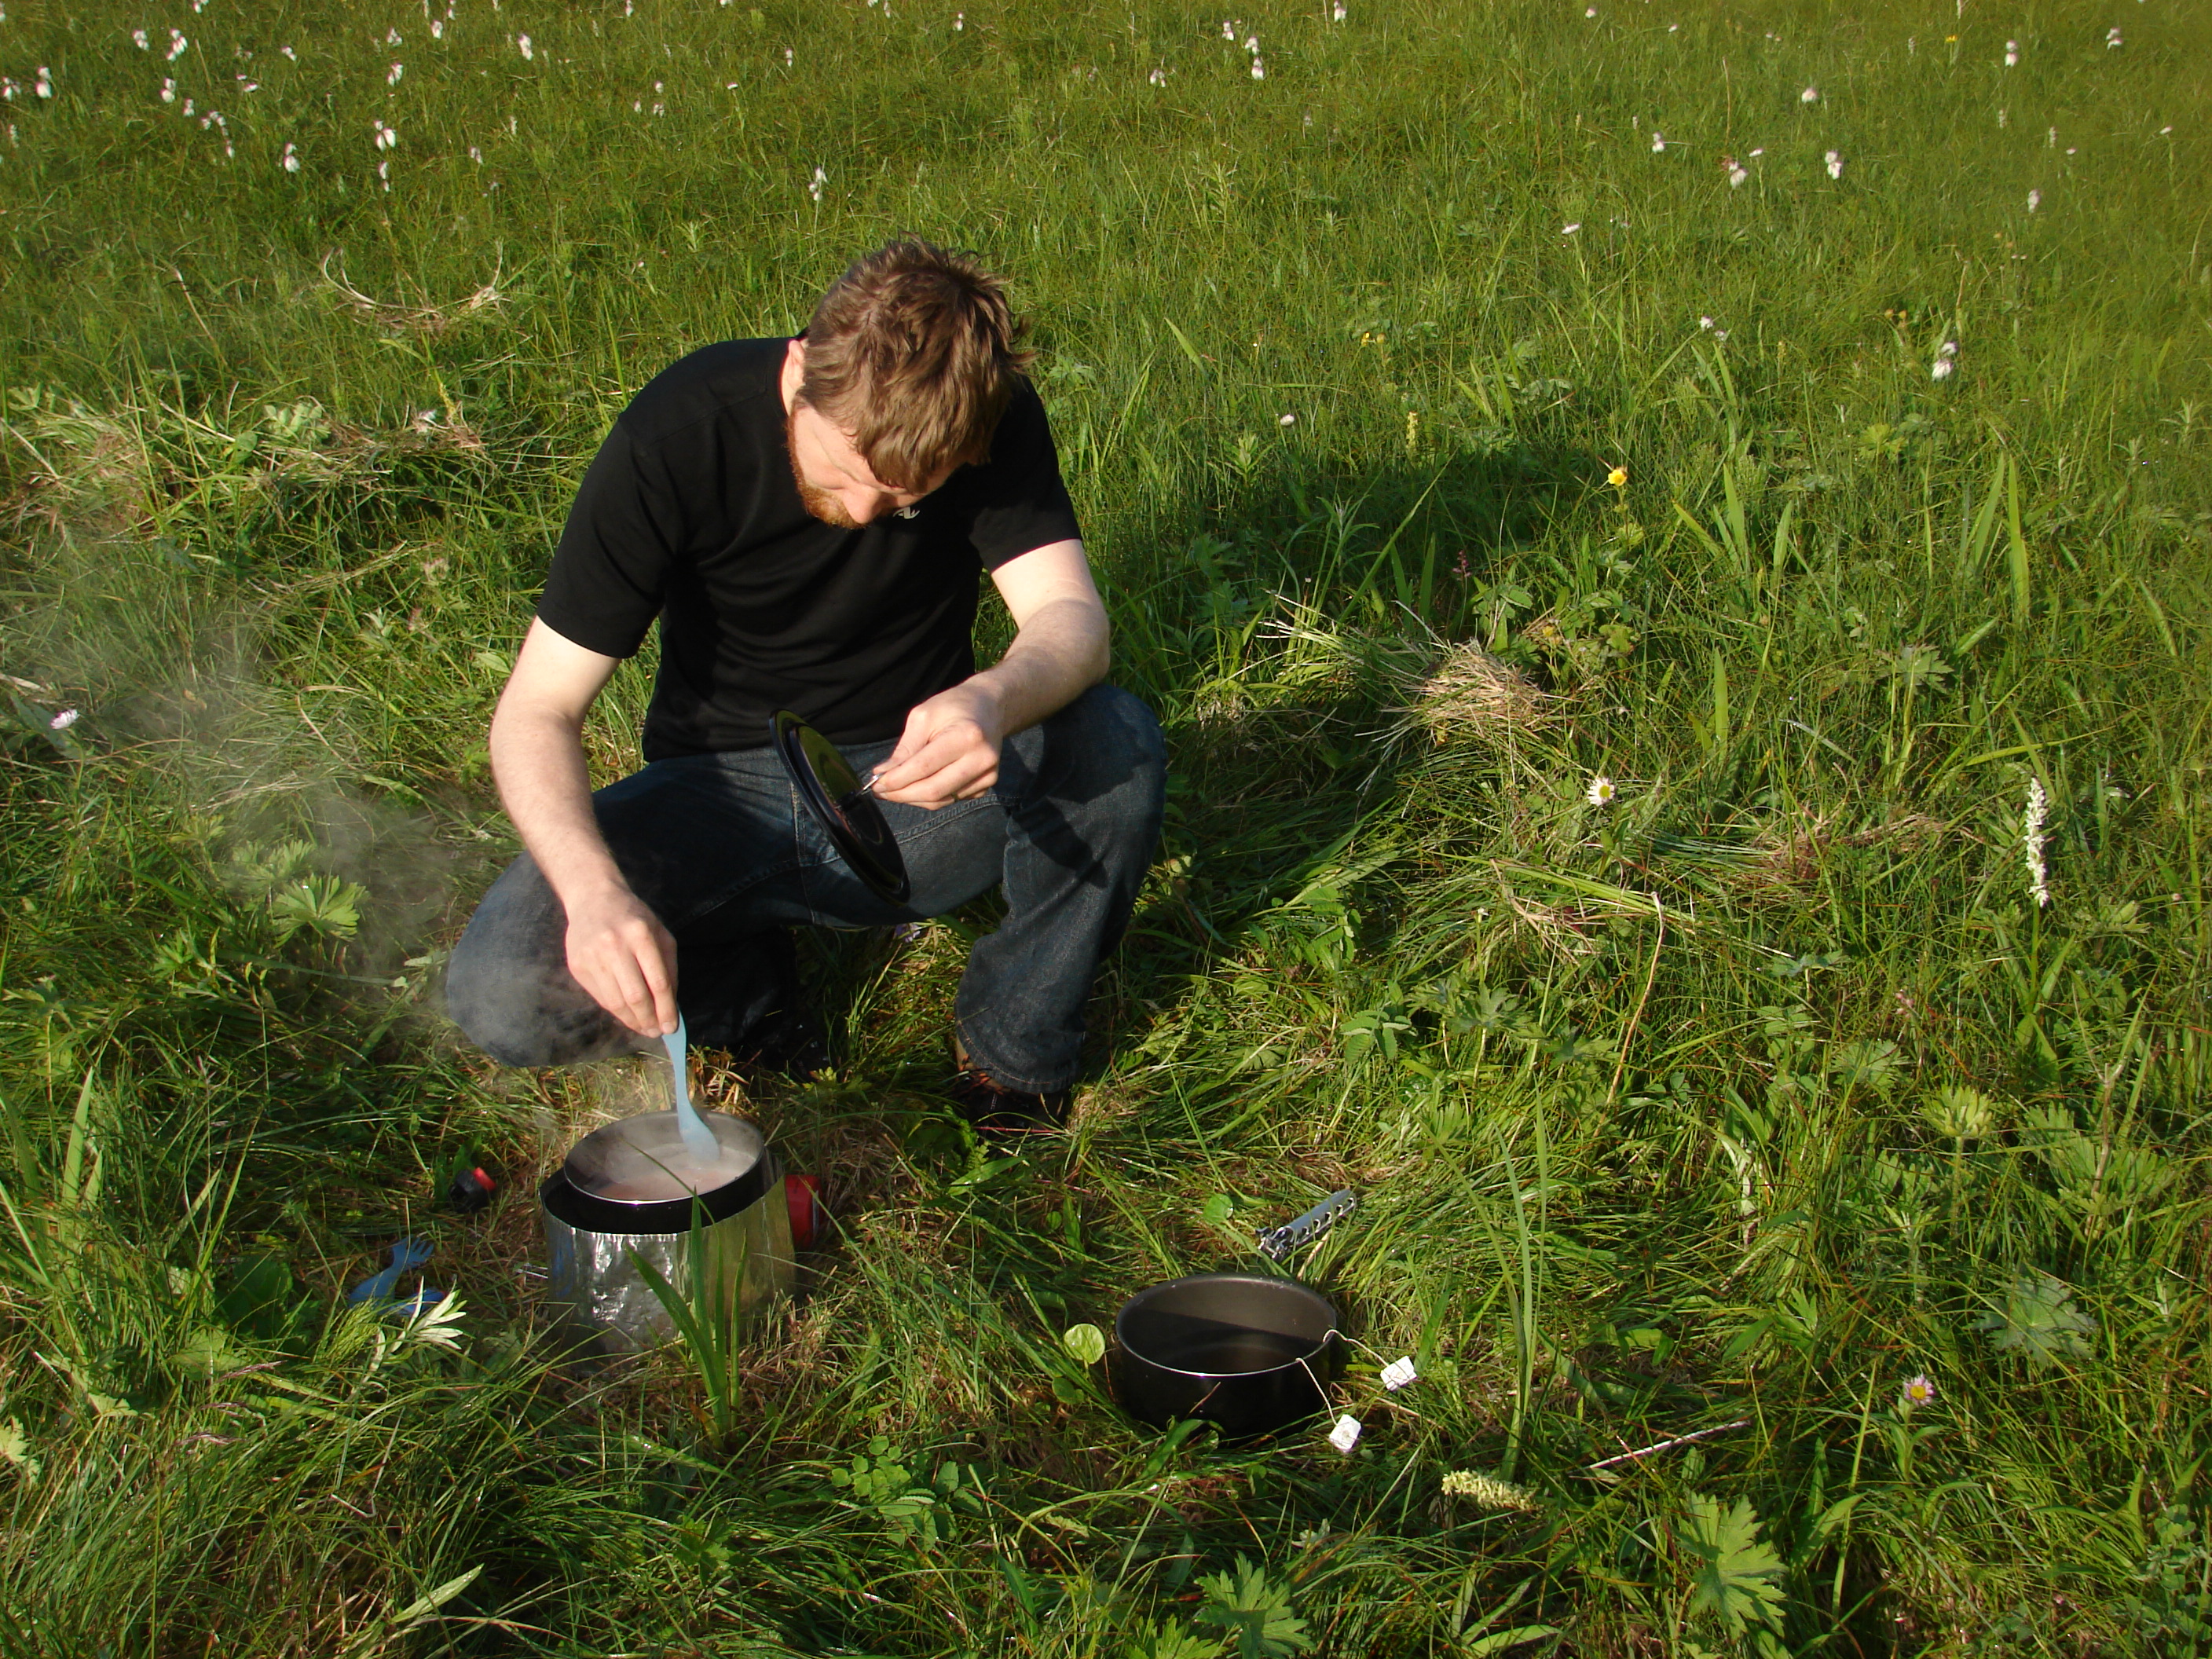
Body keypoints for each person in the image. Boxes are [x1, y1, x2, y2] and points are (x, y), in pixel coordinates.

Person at [445, 240, 1166, 1132]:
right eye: (844, 472)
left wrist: (994, 697)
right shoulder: (678, 432)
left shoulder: (985, 414)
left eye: (904, 497)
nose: (863, 513)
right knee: (501, 993)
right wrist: (595, 896)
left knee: (1114, 745)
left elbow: (1072, 622)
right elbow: (535, 710)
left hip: (909, 792)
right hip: (714, 792)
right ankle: (744, 999)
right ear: (796, 373)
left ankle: (1013, 1056)